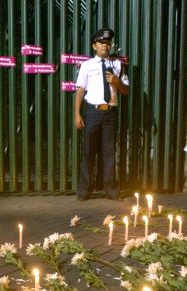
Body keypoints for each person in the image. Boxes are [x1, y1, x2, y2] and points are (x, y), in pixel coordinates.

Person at [74, 28, 129, 201]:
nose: (105, 46)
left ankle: (110, 190)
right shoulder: (87, 65)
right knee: (88, 151)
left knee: (109, 152)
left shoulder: (118, 65)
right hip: (92, 112)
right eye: (101, 43)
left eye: (108, 43)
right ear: (94, 46)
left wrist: (116, 81)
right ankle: (84, 190)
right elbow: (80, 91)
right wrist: (77, 113)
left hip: (110, 114)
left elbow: (126, 91)